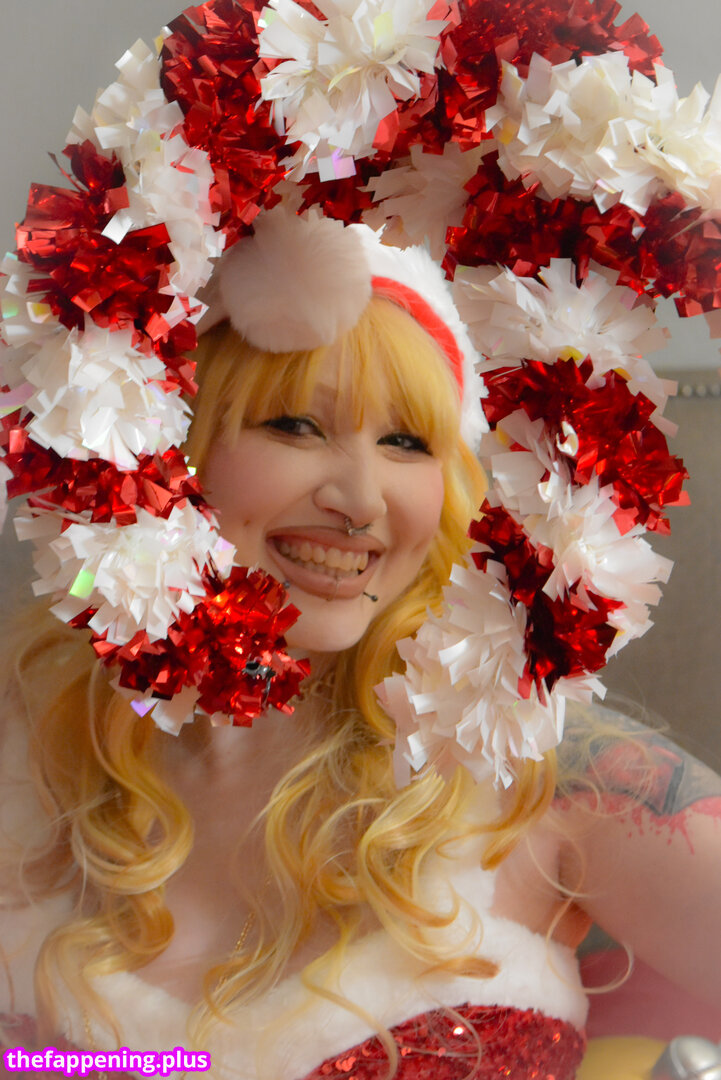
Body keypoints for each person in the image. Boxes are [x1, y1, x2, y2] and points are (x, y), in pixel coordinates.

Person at [1, 2, 721, 1078]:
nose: (359, 498)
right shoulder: (33, 737)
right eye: (294, 425)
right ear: (172, 451)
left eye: (406, 443)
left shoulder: (549, 779)